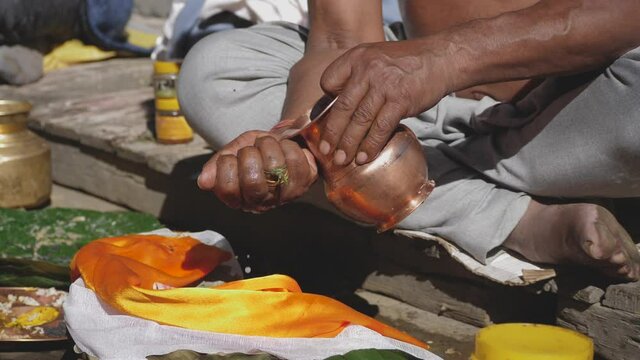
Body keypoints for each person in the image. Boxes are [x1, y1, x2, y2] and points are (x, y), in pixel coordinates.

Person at [178, 0, 640, 280]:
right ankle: (516, 221)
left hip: (572, 106)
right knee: (217, 69)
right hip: (408, 98)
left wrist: (445, 59)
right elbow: (340, 37)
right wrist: (301, 139)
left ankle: (437, 181)